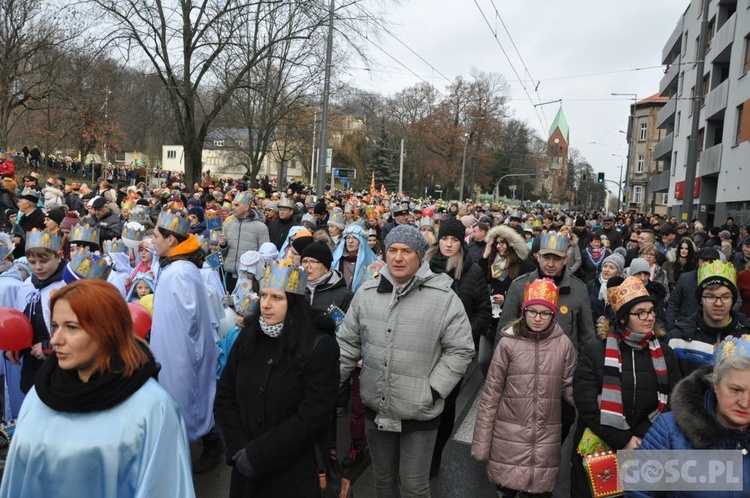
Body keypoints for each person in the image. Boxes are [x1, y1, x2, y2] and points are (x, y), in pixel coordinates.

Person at [0, 279, 195, 498]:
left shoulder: (153, 409)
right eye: (55, 326)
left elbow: (163, 488)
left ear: (107, 331)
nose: (55, 339)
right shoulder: (40, 393)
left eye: (71, 327)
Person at [337, 224, 475, 497]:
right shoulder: (366, 293)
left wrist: (432, 390)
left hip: (419, 414)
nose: (398, 257)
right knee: (383, 481)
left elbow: (460, 350)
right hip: (377, 408)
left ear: (420, 256)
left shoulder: (443, 297)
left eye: (406, 251)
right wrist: (326, 386)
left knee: (413, 486)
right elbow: (347, 344)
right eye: (392, 250)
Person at [214, 262, 340, 498]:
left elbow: (312, 416)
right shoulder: (248, 338)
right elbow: (225, 395)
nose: (266, 304)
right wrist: (238, 447)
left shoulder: (319, 346)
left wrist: (259, 454)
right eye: (263, 295)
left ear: (293, 303)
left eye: (276, 298)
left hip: (294, 474)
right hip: (246, 470)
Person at [571, 276, 681, 497]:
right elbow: (586, 402)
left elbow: (673, 399)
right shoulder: (595, 352)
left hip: (646, 445)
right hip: (599, 447)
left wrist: (639, 437)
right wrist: (623, 439)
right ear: (622, 319)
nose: (649, 317)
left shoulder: (665, 353)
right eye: (640, 312)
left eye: (651, 311)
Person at [472, 278, 577, 498]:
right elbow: (491, 395)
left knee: (538, 491)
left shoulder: (563, 344)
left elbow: (571, 386)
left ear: (553, 314)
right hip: (508, 437)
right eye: (532, 312)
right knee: (507, 490)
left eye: (545, 313)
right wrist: (482, 442)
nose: (538, 318)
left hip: (545, 440)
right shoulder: (508, 343)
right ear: (524, 311)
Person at [632, 335, 750, 497]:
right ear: (715, 384)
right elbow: (638, 491)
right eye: (735, 390)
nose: (744, 403)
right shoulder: (670, 431)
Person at [150, 206, 221, 472]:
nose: (152, 240)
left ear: (171, 240)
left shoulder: (180, 272)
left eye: (156, 235)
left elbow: (184, 325)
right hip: (170, 350)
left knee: (189, 399)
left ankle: (209, 442)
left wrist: (178, 361)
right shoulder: (174, 266)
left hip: (180, 353)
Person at [424, 217, 492, 476]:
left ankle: (435, 454)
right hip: (424, 346)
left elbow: (483, 313)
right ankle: (417, 454)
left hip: (454, 351)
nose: (449, 244)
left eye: (454, 239)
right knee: (422, 399)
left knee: (447, 402)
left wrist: (462, 335)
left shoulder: (471, 270)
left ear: (461, 241)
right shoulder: (425, 265)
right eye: (444, 239)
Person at [668, 260, 750, 377]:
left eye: (725, 297)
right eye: (711, 296)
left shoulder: (746, 336)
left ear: (733, 300)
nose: (718, 303)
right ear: (700, 299)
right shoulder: (678, 339)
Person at [478, 224, 535, 376]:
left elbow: (529, 294)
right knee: (483, 360)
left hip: (512, 320)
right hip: (491, 319)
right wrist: (485, 254)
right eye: (497, 242)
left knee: (505, 362)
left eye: (503, 242)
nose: (499, 246)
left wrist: (507, 299)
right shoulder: (492, 259)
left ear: (512, 243)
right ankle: (488, 383)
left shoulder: (525, 265)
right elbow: (480, 278)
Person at [220, 191, 270, 292]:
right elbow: (222, 254)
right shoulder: (227, 225)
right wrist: (223, 245)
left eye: (237, 205)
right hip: (229, 277)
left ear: (246, 207)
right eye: (232, 205)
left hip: (250, 279)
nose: (232, 207)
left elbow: (265, 257)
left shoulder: (261, 227)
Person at [666, 247, 721, 326]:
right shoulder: (685, 279)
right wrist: (671, 326)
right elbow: (674, 303)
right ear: (698, 261)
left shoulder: (723, 280)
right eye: (704, 261)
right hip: (687, 324)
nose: (707, 264)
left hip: (713, 325)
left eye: (711, 261)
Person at [331, 224, 378, 292]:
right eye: (347, 238)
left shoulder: (371, 260)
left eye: (355, 238)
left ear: (361, 241)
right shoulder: (336, 260)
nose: (350, 241)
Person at [587, 253, 625, 324]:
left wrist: (607, 318)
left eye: (611, 268)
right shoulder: (592, 284)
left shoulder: (622, 288)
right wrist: (596, 318)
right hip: (592, 325)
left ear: (618, 272)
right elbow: (585, 306)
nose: (607, 270)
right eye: (605, 266)